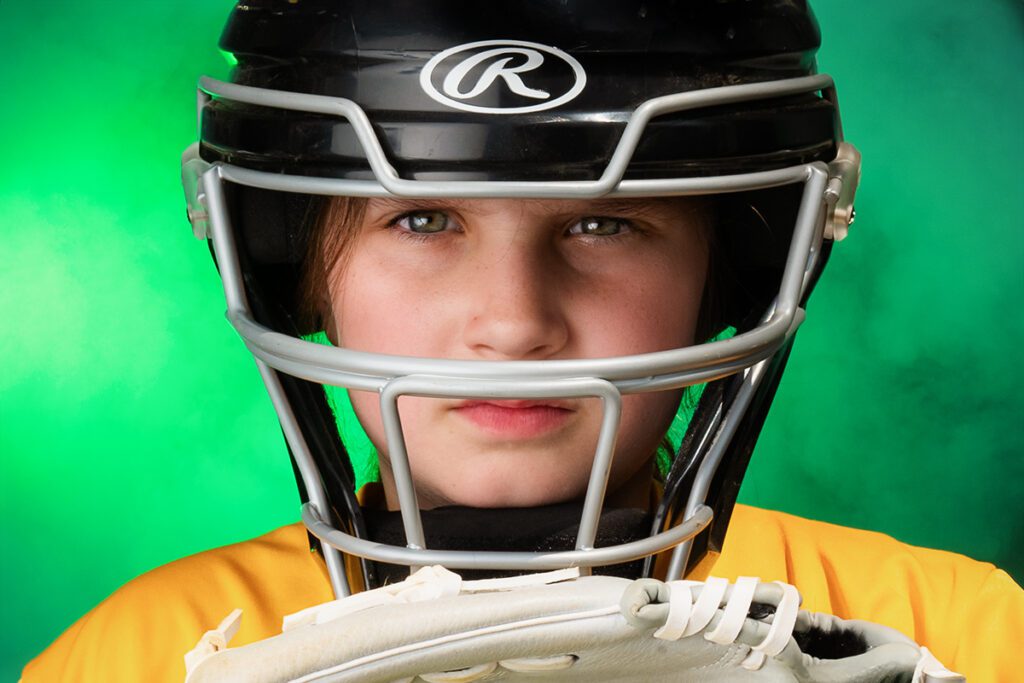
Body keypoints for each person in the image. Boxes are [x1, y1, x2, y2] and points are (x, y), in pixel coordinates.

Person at [21, 1, 1022, 681]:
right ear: (295, 271)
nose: (511, 322)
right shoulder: (138, 652)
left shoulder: (960, 628)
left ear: (731, 275)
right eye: (421, 221)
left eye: (604, 222)